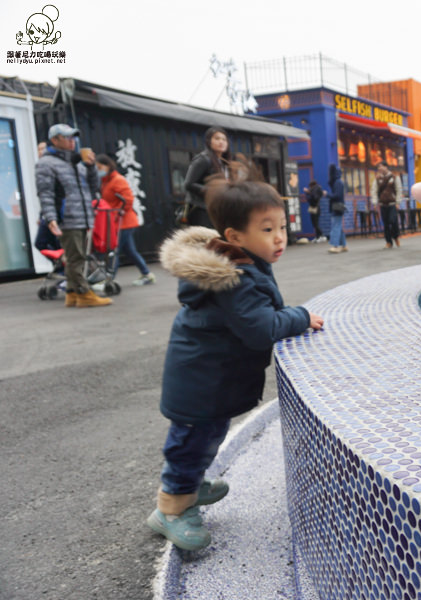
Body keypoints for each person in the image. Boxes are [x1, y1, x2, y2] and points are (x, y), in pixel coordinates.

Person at [145, 178, 324, 551]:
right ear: (234, 235)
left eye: (282, 228)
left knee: (207, 436)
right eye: (267, 230)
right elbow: (261, 329)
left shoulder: (242, 262)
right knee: (191, 443)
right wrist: (301, 316)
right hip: (202, 382)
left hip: (210, 376)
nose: (279, 238)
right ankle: (172, 507)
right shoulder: (238, 278)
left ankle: (190, 482)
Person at [36, 123, 112, 307]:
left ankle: (71, 293)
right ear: (55, 140)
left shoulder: (75, 162)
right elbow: (45, 193)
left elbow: (93, 187)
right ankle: (84, 293)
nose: (72, 142)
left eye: (73, 138)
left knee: (74, 256)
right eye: (67, 137)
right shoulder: (46, 163)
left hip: (82, 215)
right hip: (67, 217)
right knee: (76, 257)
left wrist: (92, 166)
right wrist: (51, 218)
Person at [95, 154, 155, 286]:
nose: (97, 170)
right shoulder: (105, 181)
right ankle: (146, 274)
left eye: (100, 167)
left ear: (108, 166)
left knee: (114, 250)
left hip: (124, 222)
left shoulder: (117, 180)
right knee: (129, 250)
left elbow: (128, 199)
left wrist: (118, 212)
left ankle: (109, 279)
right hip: (117, 221)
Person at [183, 127, 233, 229]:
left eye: (224, 139)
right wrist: (213, 191)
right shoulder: (203, 159)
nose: (221, 142)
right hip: (201, 209)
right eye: (217, 139)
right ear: (208, 141)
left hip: (216, 209)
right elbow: (188, 184)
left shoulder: (224, 162)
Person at [370, 161, 403, 249]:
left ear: (386, 167)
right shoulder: (377, 179)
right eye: (378, 168)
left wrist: (398, 202)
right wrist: (374, 202)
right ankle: (389, 242)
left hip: (392, 203)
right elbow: (374, 191)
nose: (379, 169)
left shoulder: (394, 177)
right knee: (386, 224)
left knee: (393, 221)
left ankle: (395, 236)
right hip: (382, 204)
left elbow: (399, 190)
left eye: (380, 167)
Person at [327, 164, 348, 254]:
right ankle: (344, 245)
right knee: (338, 226)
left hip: (337, 207)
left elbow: (337, 195)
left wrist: (327, 194)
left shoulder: (338, 182)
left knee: (336, 226)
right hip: (338, 207)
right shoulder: (338, 182)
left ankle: (335, 245)